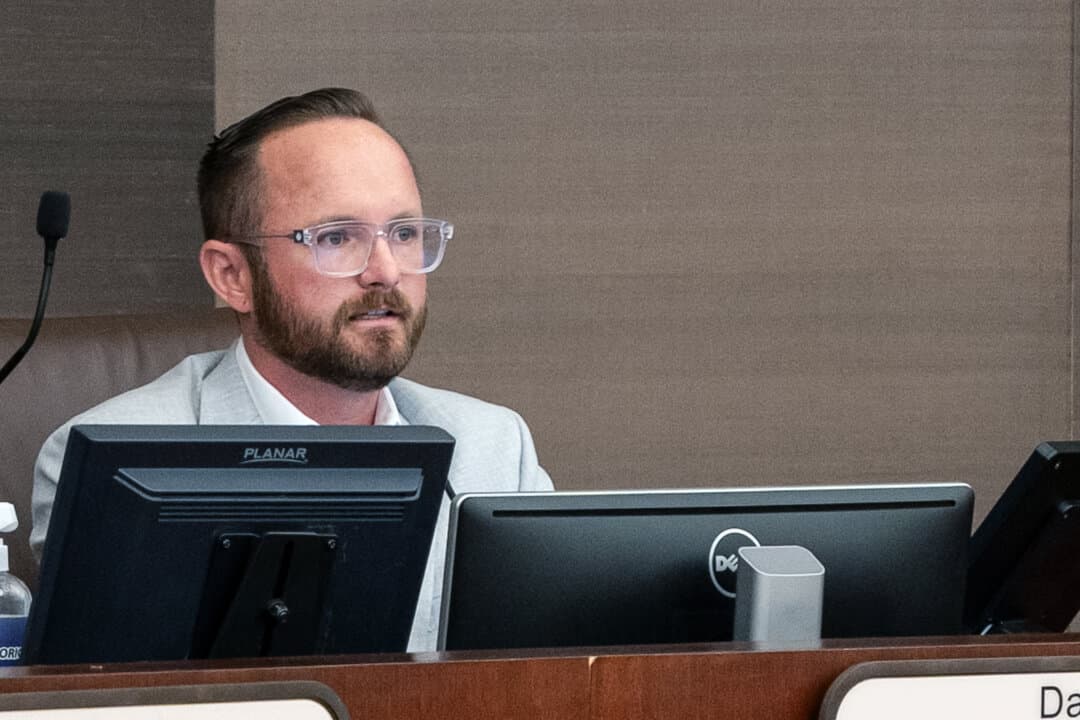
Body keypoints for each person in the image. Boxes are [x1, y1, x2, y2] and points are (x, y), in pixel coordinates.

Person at [29, 88, 553, 652]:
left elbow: (544, 674)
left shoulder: (493, 449)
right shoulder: (111, 460)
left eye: (403, 234)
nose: (385, 271)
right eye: (336, 238)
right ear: (233, 276)